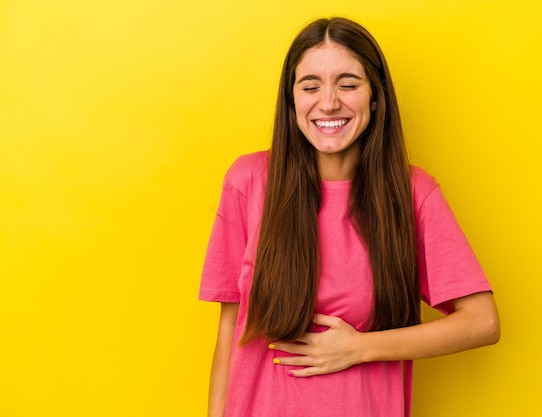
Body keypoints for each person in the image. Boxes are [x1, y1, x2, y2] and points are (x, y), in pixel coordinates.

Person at [200, 17, 500, 417]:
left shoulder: (412, 193)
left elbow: (482, 322)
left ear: (375, 97)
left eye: (348, 84)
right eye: (310, 86)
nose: (328, 102)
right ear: (291, 101)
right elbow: (229, 331)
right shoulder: (249, 182)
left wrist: (361, 348)